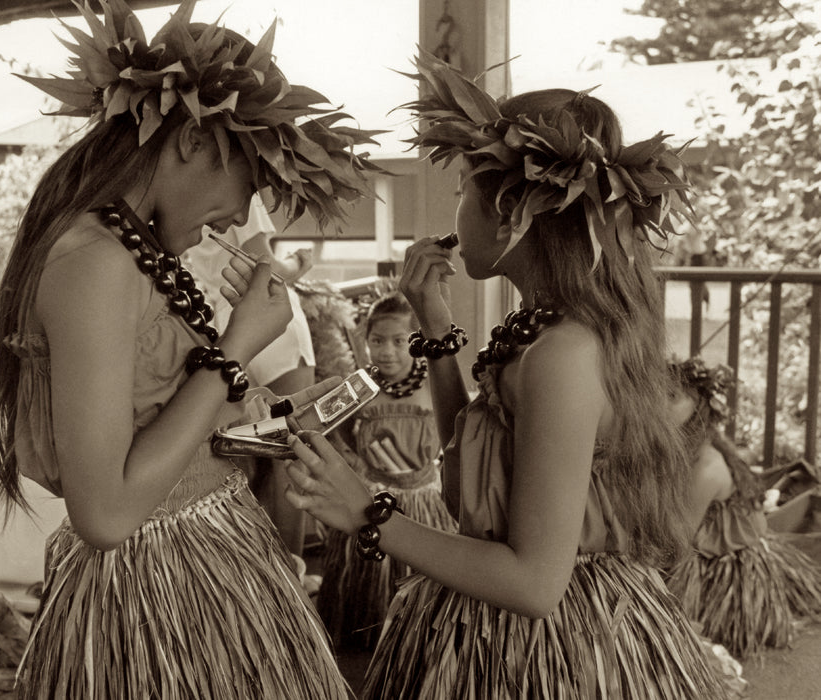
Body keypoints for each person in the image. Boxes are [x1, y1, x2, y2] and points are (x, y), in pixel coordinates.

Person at [284, 50, 732, 698]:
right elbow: (472, 481)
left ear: (513, 214)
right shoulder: (541, 329)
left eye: (465, 187)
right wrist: (435, 329)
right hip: (493, 624)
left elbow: (532, 583)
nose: (455, 208)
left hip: (552, 651)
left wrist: (368, 511)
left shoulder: (562, 354)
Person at [0, 1, 381, 696]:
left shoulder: (135, 255)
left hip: (214, 568)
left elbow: (180, 440)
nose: (240, 216)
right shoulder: (96, 262)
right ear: (193, 142)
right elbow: (105, 513)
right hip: (152, 593)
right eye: (250, 186)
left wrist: (280, 417)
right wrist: (232, 349)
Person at [316, 291, 457, 650]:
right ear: (365, 341)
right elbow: (327, 423)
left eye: (399, 341)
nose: (387, 351)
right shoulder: (357, 388)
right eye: (377, 341)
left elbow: (456, 435)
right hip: (370, 500)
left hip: (425, 506)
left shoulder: (434, 385)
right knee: (365, 601)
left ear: (417, 341)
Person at [187, 192, 317, 556]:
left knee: (244, 455)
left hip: (221, 324)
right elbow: (265, 266)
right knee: (291, 452)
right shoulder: (242, 193)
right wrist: (298, 264)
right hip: (269, 320)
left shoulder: (189, 201)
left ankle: (251, 563)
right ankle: (290, 571)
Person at [667, 356, 821, 659]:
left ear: (699, 409)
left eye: (671, 397)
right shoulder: (689, 449)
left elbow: (676, 540)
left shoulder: (706, 467)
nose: (656, 402)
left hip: (721, 566)